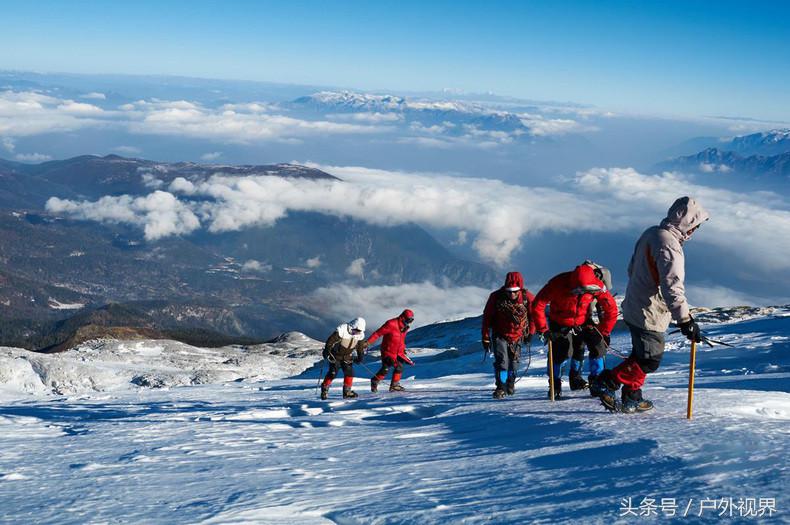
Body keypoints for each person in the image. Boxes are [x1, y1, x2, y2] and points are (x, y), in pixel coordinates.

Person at [594, 196, 709, 413]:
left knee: (640, 354)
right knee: (649, 359)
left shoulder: (651, 233)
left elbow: (631, 268)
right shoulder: (670, 246)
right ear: (687, 224)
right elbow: (672, 287)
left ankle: (632, 397)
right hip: (649, 311)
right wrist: (685, 320)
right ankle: (608, 381)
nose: (695, 231)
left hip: (634, 304)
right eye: (695, 226)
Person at [532, 264, 618, 399]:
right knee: (562, 353)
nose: (583, 293)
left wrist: (603, 332)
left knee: (597, 346)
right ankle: (555, 384)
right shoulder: (557, 283)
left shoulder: (597, 286)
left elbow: (611, 310)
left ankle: (596, 382)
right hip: (559, 322)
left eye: (586, 291)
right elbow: (538, 304)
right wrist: (544, 330)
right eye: (580, 290)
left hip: (583, 321)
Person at [481, 271, 534, 399]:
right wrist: (485, 337)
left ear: (520, 289)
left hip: (518, 335)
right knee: (502, 362)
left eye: (515, 291)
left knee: (514, 363)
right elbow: (487, 318)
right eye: (509, 291)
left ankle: (510, 384)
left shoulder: (528, 298)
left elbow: (534, 316)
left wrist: (530, 333)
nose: (512, 294)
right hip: (500, 334)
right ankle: (501, 387)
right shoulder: (495, 297)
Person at [575, 260, 616, 396]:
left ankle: (581, 379)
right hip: (584, 324)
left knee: (582, 350)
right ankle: (596, 381)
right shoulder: (593, 285)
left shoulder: (584, 282)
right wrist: (604, 331)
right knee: (596, 350)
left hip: (584, 324)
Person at [320, 317, 368, 399]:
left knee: (349, 373)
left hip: (347, 356)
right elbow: (330, 341)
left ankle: (347, 392)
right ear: (352, 326)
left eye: (358, 331)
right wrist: (327, 351)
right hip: (335, 356)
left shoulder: (359, 335)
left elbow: (360, 347)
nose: (355, 333)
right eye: (355, 330)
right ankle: (324, 389)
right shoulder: (342, 330)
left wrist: (360, 357)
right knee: (332, 373)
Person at [367, 309, 415, 392]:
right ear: (403, 318)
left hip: (397, 352)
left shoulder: (404, 327)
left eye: (411, 320)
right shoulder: (391, 324)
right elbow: (378, 333)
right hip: (387, 351)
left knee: (392, 368)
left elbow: (401, 340)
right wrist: (367, 342)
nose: (410, 322)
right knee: (391, 368)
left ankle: (383, 383)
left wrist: (403, 349)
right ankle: (388, 384)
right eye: (408, 320)